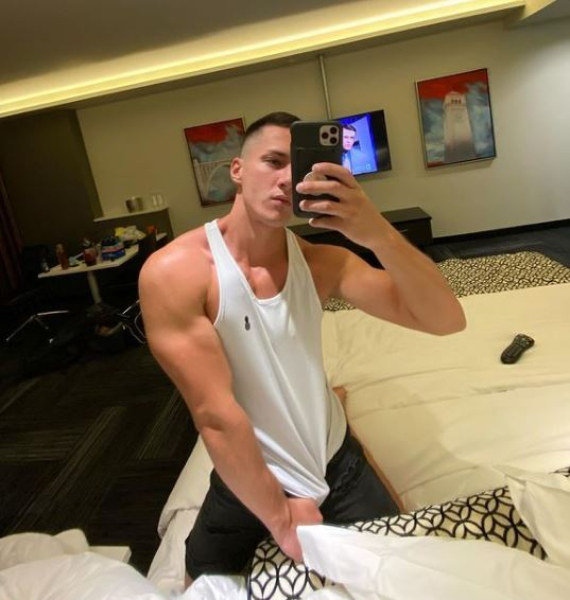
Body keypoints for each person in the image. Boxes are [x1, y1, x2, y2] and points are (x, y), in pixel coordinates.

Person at [139, 112, 466, 585]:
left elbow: (446, 320)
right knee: (199, 581)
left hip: (336, 459)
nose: (287, 179)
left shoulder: (322, 263)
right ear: (237, 170)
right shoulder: (176, 272)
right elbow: (215, 415)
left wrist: (376, 231)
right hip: (246, 471)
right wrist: (280, 518)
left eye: (301, 168)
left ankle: (333, 406)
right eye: (274, 161)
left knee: (404, 573)